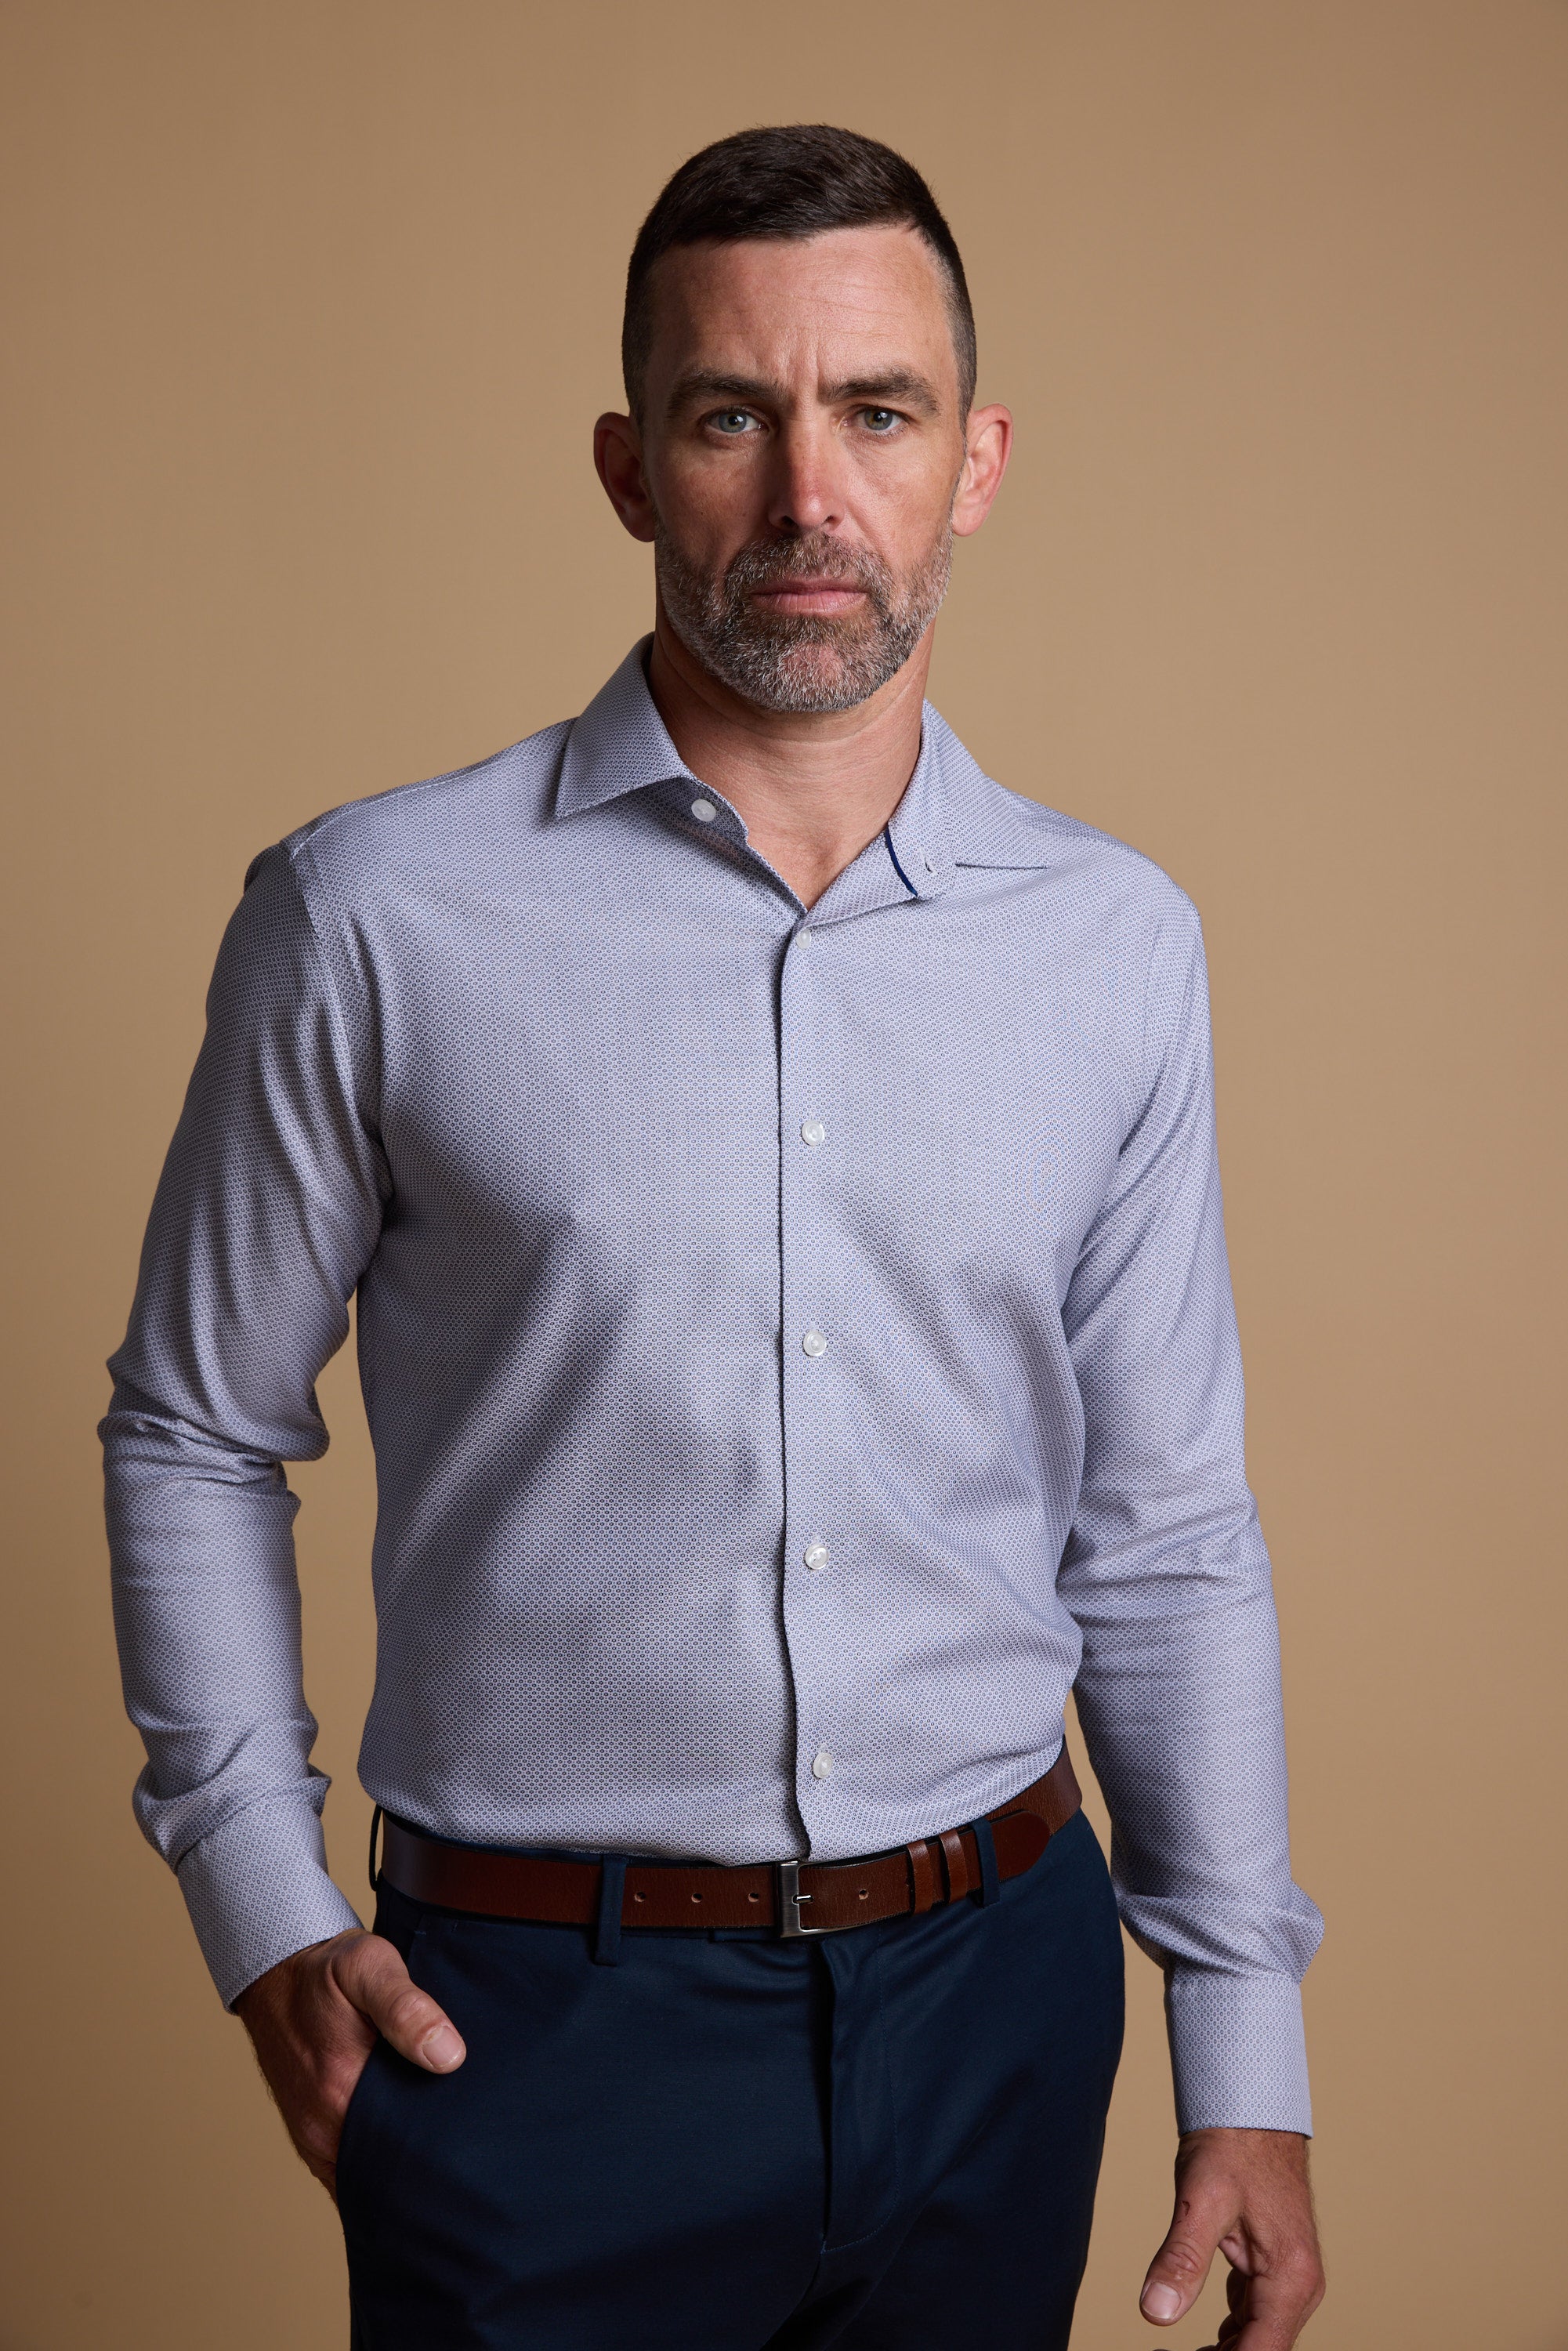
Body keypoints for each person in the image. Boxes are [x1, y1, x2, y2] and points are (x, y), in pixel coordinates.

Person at [103, 123, 1326, 2350]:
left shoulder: (1115, 945)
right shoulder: (371, 916)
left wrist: (1241, 2049)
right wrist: (261, 1906)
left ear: (976, 463)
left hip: (1002, 2001)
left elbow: (1162, 1532)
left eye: (879, 412)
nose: (807, 497)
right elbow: (194, 1429)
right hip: (534, 2041)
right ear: (627, 467)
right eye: (729, 416)